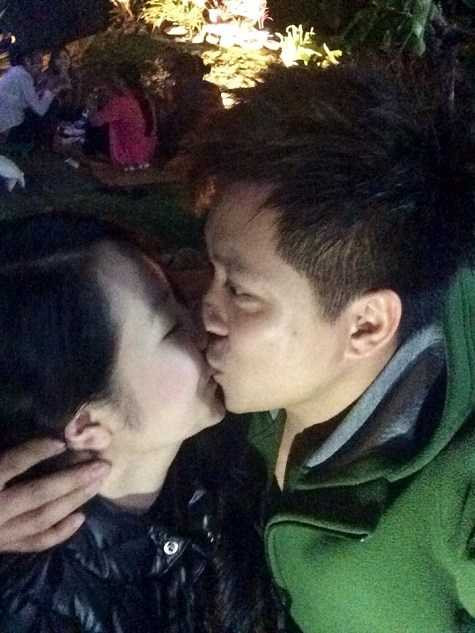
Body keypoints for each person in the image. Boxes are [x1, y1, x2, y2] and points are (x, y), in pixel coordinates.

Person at [2, 63, 474, 633]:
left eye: (240, 291)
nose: (203, 308)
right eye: (202, 265)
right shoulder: (219, 418)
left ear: (365, 327)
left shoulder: (456, 501)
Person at [0, 214, 279, 633]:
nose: (205, 324)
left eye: (181, 297)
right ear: (87, 423)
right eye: (171, 328)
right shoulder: (39, 610)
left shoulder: (226, 457)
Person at [88, 64, 157, 170]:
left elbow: (94, 121)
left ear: (121, 81)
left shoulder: (120, 102)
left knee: (94, 128)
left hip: (125, 155)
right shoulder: (146, 99)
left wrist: (91, 105)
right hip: (146, 153)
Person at [0, 45, 61, 143]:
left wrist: (41, 89)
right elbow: (40, 110)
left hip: (7, 124)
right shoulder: (23, 76)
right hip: (8, 128)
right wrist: (50, 90)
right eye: (39, 61)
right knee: (52, 107)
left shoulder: (16, 72)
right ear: (27, 61)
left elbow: (27, 100)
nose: (42, 66)